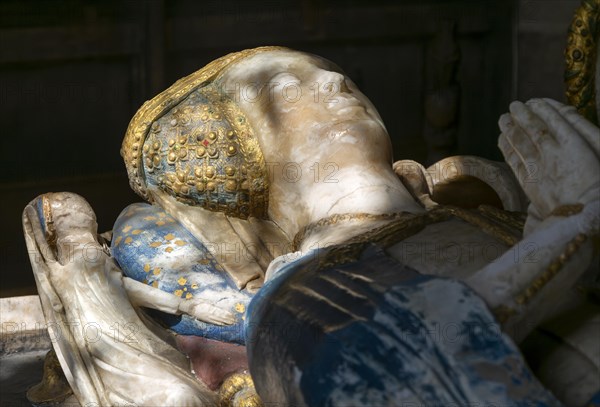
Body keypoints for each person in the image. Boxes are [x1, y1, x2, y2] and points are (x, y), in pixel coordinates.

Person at [24, 46, 599, 406]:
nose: (334, 84)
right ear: (230, 154)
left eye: (333, 73)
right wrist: (571, 228)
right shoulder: (297, 288)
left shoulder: (498, 208)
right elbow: (381, 367)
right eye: (282, 90)